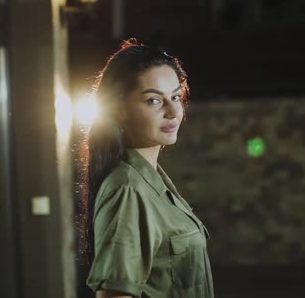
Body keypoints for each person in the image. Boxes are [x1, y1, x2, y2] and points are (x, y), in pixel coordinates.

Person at [77, 39, 214, 298]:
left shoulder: (151, 180)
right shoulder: (128, 188)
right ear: (119, 110)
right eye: (154, 101)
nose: (173, 111)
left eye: (175, 96)